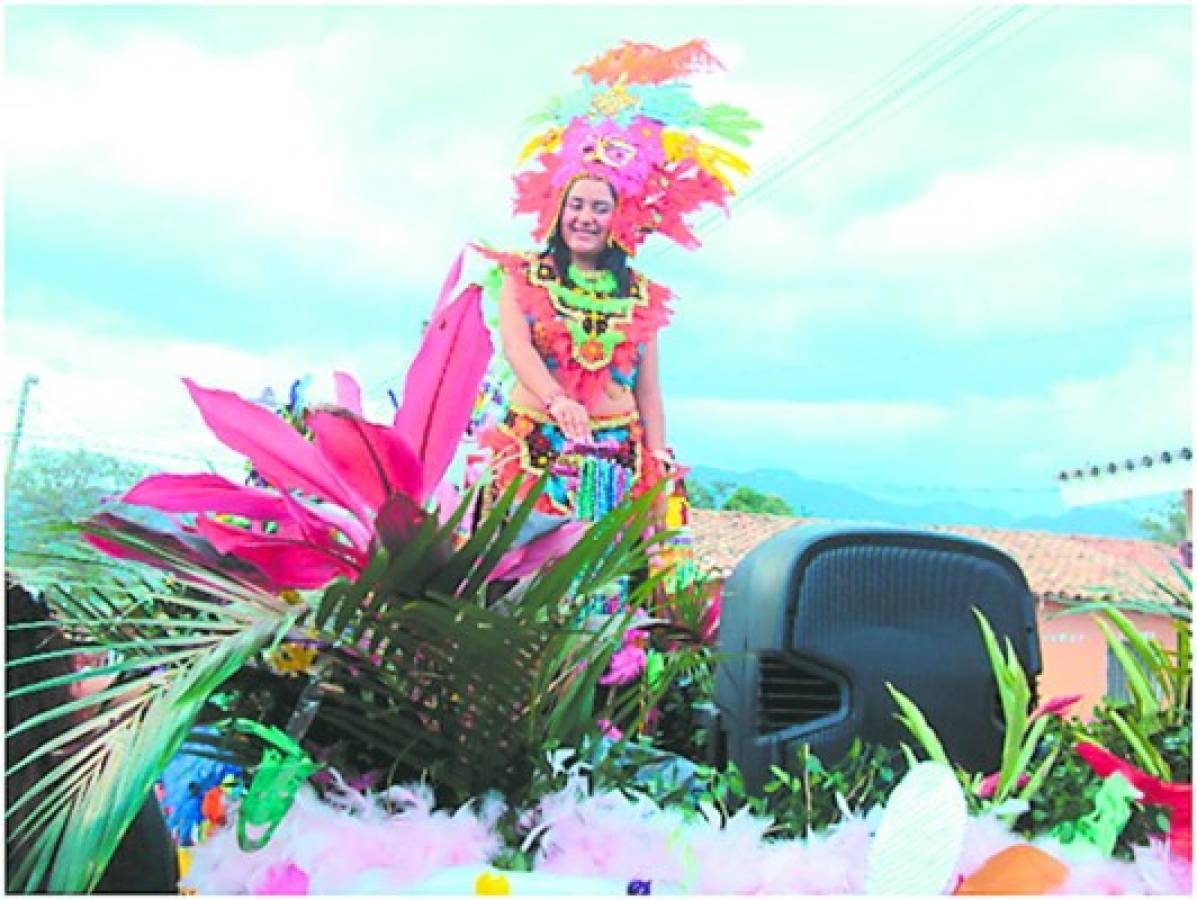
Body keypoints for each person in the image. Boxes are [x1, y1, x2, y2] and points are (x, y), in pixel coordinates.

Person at [468, 39, 760, 528]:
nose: (585, 218)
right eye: (576, 205)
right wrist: (559, 402)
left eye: (599, 207)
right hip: (532, 444)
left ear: (619, 219)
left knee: (602, 589)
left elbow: (649, 387)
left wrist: (659, 453)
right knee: (519, 581)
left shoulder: (642, 296)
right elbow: (518, 349)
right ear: (557, 210)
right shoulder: (524, 275)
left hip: (616, 456)